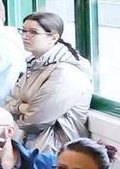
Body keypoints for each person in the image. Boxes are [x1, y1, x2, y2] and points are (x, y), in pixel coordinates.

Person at [5, 11, 94, 154]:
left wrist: (19, 107)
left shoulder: (66, 72)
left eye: (33, 32)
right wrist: (23, 107)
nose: (25, 36)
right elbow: (11, 99)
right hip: (31, 144)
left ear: (53, 37)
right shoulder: (36, 64)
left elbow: (35, 120)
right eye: (23, 30)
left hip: (55, 150)